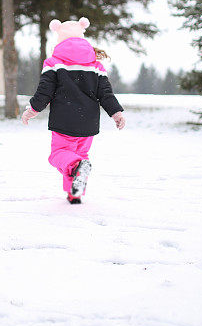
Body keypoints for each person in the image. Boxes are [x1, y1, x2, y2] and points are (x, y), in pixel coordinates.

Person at [21, 17, 126, 204]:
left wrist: (33, 109)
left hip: (64, 121)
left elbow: (45, 91)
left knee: (60, 155)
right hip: (89, 123)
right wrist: (116, 113)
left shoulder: (54, 62)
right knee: (79, 157)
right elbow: (106, 93)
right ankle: (74, 193)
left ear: (60, 39)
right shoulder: (95, 65)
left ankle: (77, 169)